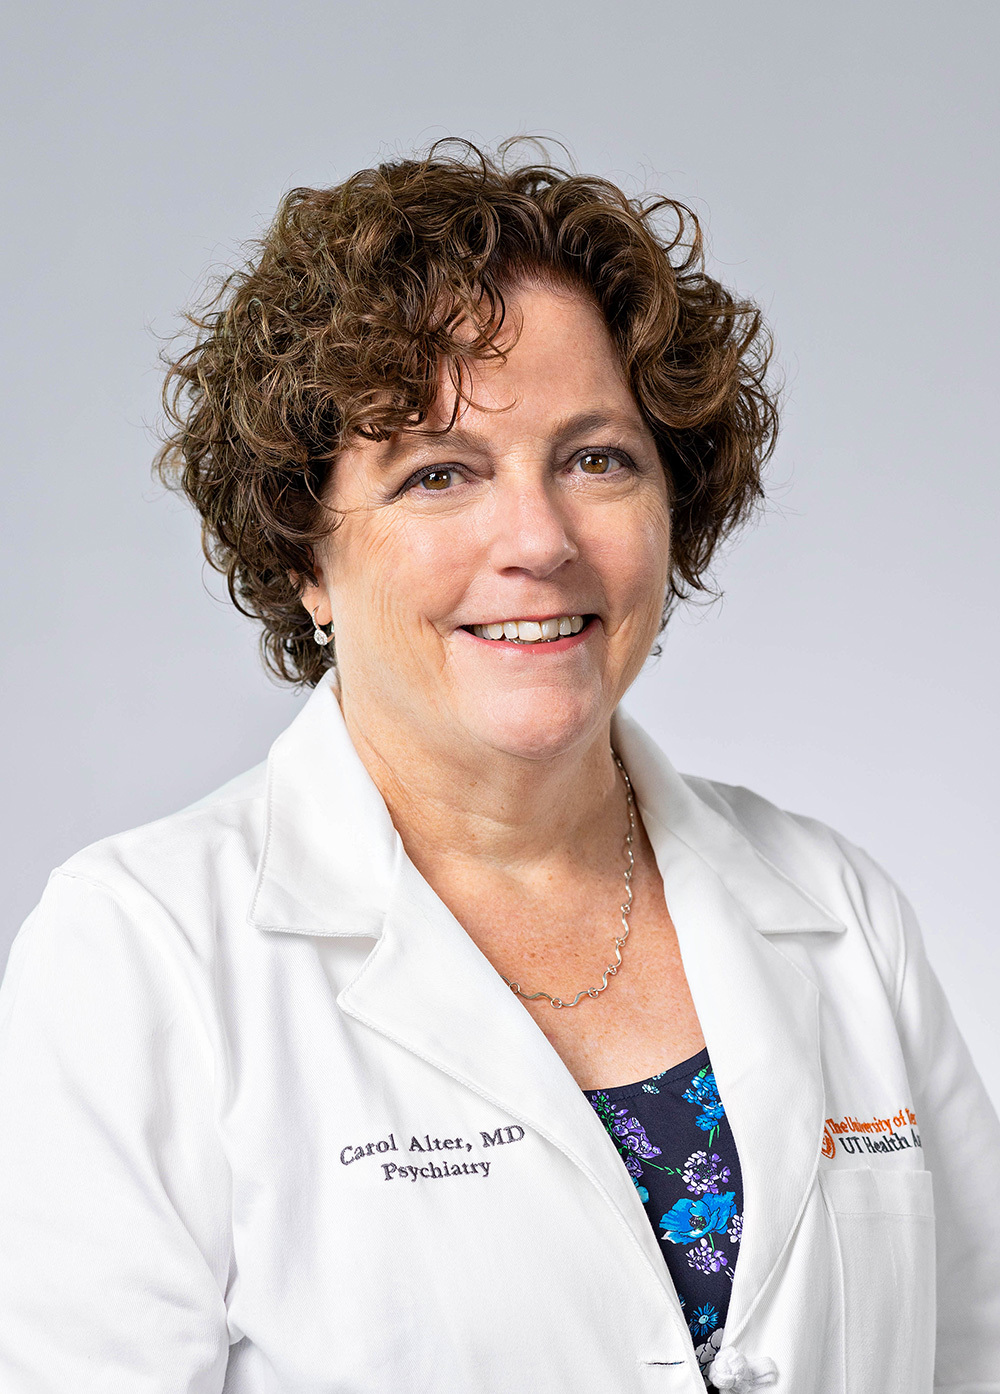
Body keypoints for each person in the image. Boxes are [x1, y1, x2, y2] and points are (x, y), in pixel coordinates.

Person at [0, 139, 997, 1394]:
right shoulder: (139, 955)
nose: (537, 538)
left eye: (596, 458)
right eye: (439, 473)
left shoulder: (837, 908)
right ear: (303, 554)